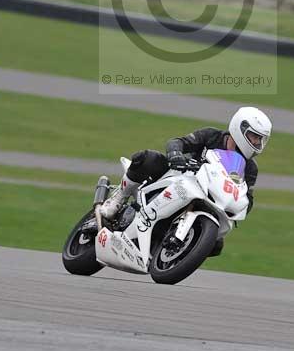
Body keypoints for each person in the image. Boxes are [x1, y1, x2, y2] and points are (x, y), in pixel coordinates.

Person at [99, 106, 272, 254]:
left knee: (216, 244)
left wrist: (242, 206)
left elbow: (247, 196)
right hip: (179, 176)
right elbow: (178, 142)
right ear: (239, 129)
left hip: (209, 198)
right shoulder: (211, 136)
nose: (257, 143)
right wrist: (176, 154)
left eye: (260, 139)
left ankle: (175, 250)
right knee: (147, 158)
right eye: (254, 136)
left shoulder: (250, 168)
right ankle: (119, 198)